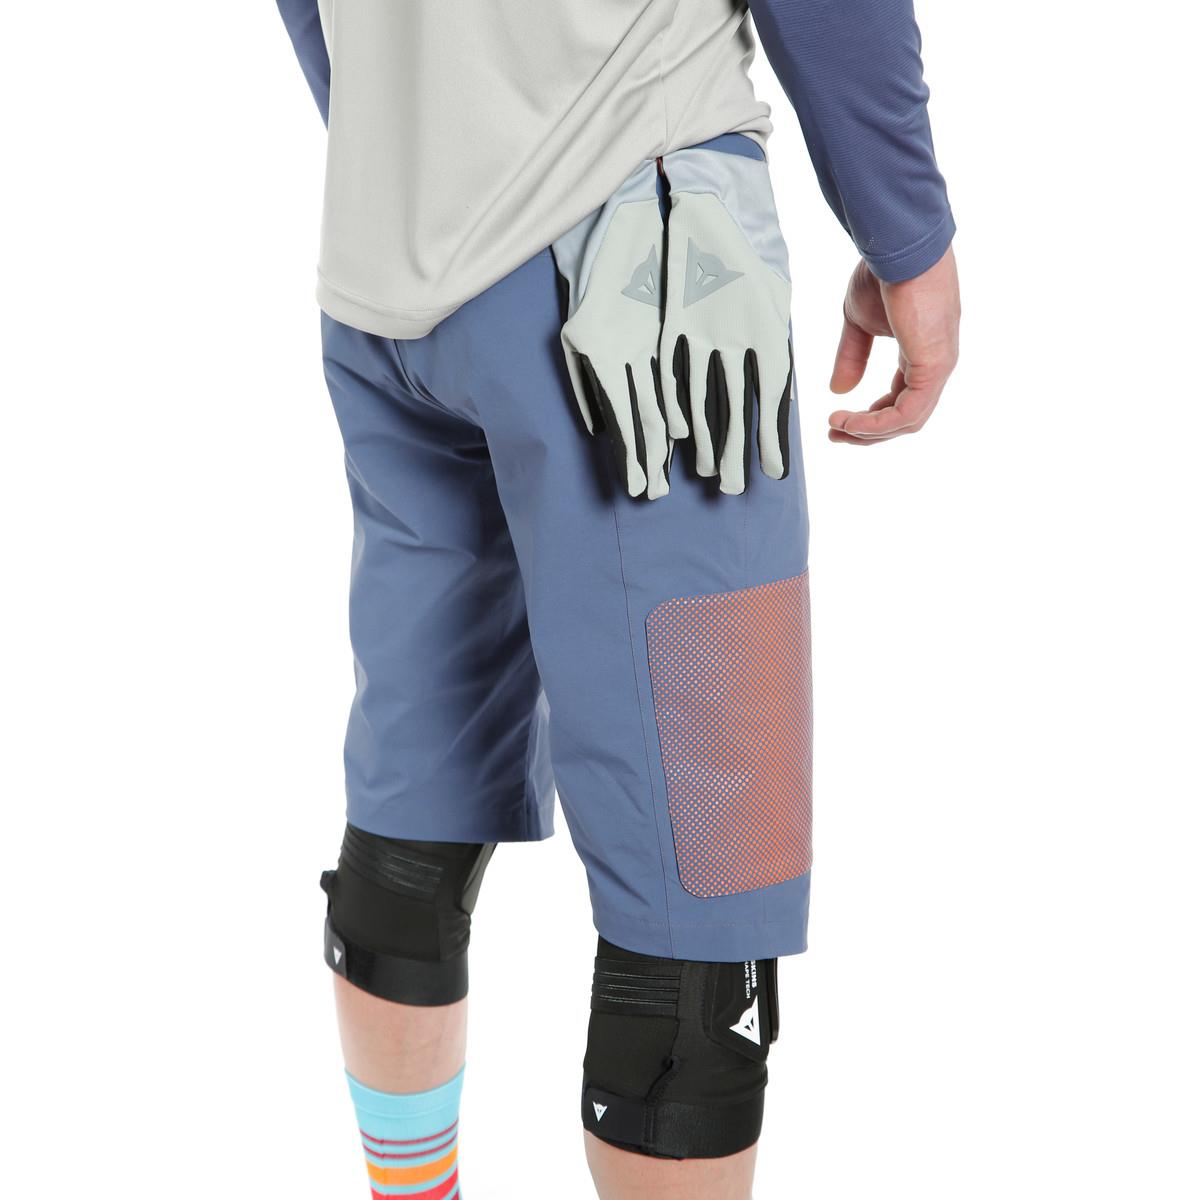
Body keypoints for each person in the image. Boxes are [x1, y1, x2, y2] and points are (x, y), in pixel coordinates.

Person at [274, 2, 960, 1196]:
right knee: (703, 904)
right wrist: (911, 236)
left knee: (415, 807)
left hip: (391, 274)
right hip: (642, 287)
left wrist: (416, 143)